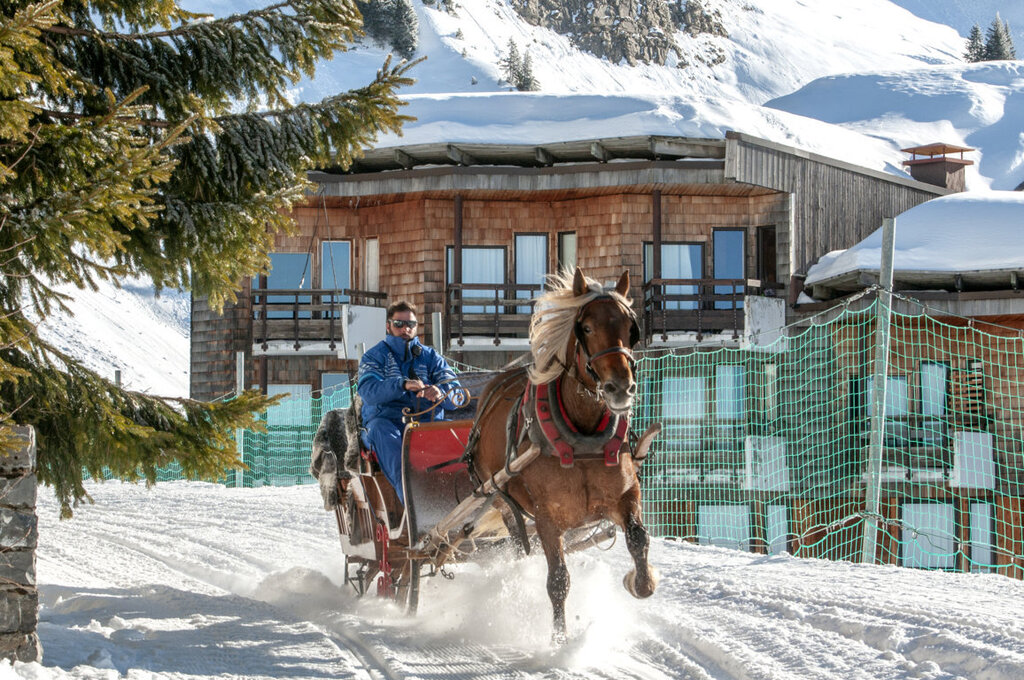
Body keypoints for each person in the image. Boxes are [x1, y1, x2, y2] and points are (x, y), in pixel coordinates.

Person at [357, 301, 461, 506]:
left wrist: (440, 393)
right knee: (387, 440)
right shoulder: (374, 356)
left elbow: (457, 395)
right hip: (387, 424)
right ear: (388, 326)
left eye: (411, 325)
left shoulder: (431, 357)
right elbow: (368, 392)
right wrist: (402, 384)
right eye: (399, 323)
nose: (406, 329)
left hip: (428, 423)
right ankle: (417, 507)